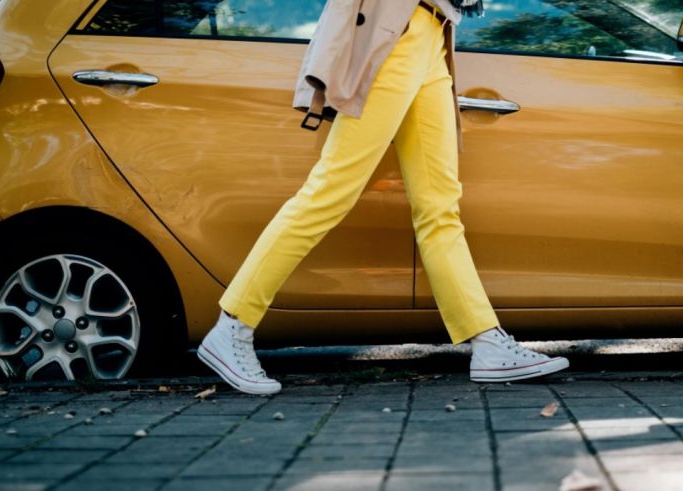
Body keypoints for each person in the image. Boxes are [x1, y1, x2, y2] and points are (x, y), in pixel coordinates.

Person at [197, 0, 569, 395]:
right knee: (329, 192)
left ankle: (487, 341)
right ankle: (232, 326)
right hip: (395, 33)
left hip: (434, 37)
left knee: (439, 207)